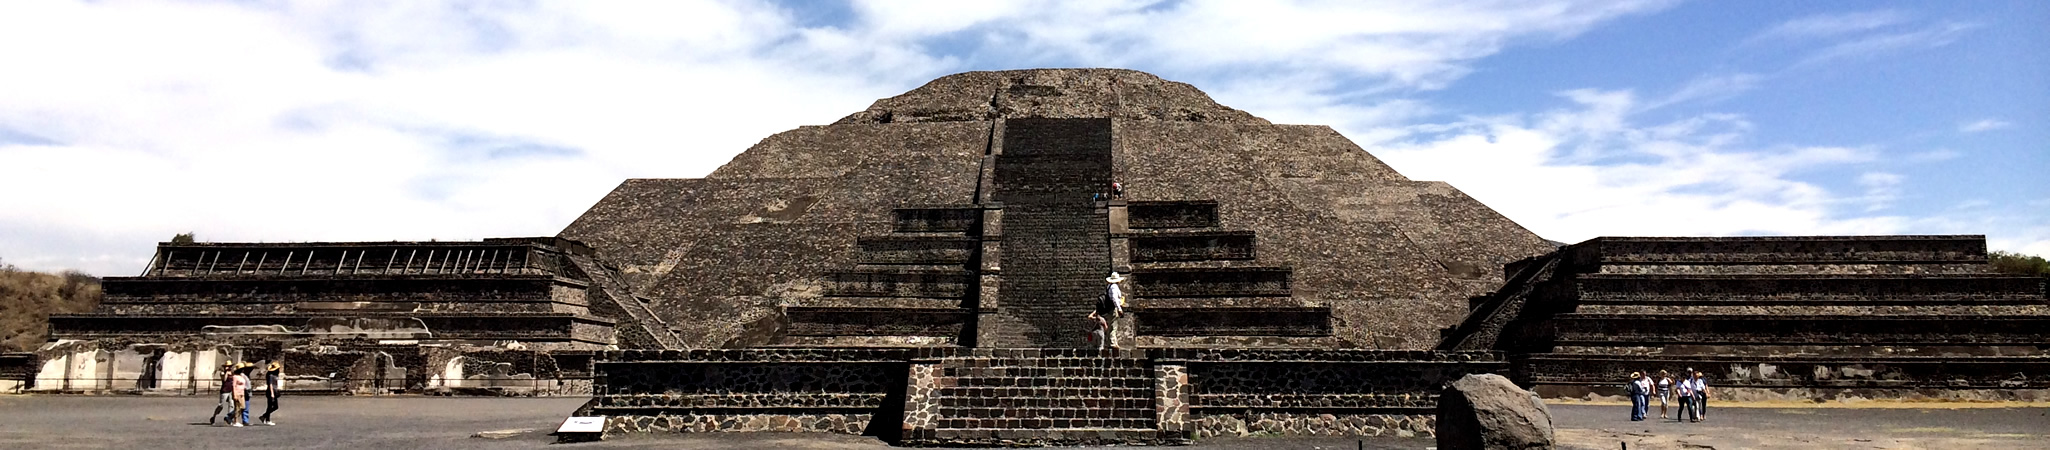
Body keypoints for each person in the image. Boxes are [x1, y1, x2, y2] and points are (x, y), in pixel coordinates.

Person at [258, 360, 283, 426]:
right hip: (270, 391)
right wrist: (272, 393)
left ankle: (264, 416)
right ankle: (267, 419)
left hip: (274, 391)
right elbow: (270, 385)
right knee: (270, 406)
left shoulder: (275, 375)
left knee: (275, 406)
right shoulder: (270, 375)